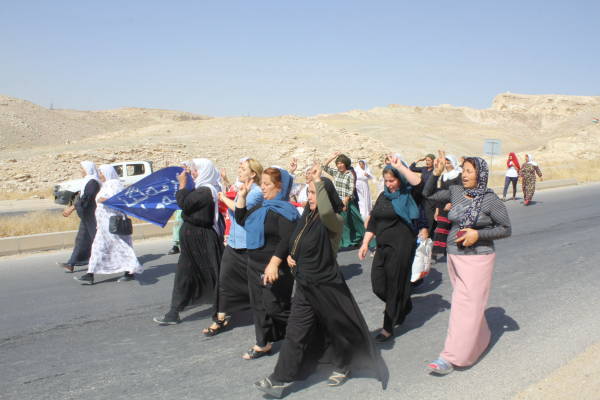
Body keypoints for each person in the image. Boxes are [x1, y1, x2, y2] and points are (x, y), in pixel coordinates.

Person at [254, 166, 387, 398]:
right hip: (305, 285)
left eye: (315, 193)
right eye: (309, 192)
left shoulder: (334, 220)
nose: (310, 197)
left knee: (337, 328)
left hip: (326, 286)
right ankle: (278, 380)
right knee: (296, 332)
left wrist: (318, 180)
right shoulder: (307, 217)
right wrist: (291, 256)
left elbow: (326, 213)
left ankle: (344, 364)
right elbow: (295, 240)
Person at [423, 157, 511, 375]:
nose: (464, 175)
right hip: (455, 255)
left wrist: (478, 234)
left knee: (463, 306)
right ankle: (481, 338)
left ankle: (451, 357)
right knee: (469, 306)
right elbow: (428, 194)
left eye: (470, 171)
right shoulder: (456, 191)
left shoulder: (490, 200)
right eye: (463, 170)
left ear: (480, 175)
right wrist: (435, 173)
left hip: (478, 258)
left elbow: (505, 228)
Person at [235, 167, 299, 360]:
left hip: (274, 266)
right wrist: (242, 196)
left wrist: (273, 263)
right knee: (259, 306)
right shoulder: (261, 207)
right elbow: (242, 219)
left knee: (275, 306)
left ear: (280, 187)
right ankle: (263, 343)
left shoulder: (286, 211)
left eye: (267, 184)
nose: (262, 187)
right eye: (261, 183)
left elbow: (286, 239)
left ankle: (308, 330)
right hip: (254, 264)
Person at [358, 156, 422, 342]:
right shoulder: (383, 196)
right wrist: (365, 243)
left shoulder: (408, 195)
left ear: (400, 179)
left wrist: (400, 166)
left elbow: (418, 183)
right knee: (378, 285)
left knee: (394, 285)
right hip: (382, 246)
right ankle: (403, 304)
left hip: (401, 246)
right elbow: (374, 222)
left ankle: (387, 328)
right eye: (386, 181)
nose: (389, 184)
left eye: (392, 180)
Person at [153, 158, 224, 325]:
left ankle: (223, 307)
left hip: (202, 239)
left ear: (205, 171)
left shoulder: (206, 191)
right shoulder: (201, 189)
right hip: (194, 239)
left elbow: (184, 203)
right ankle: (174, 311)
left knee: (211, 273)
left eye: (196, 170)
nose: (193, 173)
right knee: (186, 274)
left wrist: (183, 185)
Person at [202, 158, 264, 336]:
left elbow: (239, 211)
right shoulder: (244, 189)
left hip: (248, 246)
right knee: (224, 280)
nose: (239, 170)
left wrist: (223, 197)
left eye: (243, 168)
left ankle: (269, 311)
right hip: (233, 244)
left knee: (255, 283)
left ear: (253, 173)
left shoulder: (256, 192)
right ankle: (220, 317)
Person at [74, 165, 143, 285]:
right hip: (103, 225)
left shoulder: (114, 184)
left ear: (107, 173)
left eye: (101, 172)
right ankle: (90, 274)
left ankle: (130, 271)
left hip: (112, 223)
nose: (100, 175)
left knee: (121, 247)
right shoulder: (106, 184)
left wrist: (104, 200)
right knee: (98, 248)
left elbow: (118, 201)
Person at [57, 161, 101, 273]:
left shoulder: (93, 182)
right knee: (81, 239)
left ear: (88, 170)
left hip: (92, 216)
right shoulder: (88, 181)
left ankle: (115, 261)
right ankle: (71, 263)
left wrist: (72, 208)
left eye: (82, 169)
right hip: (87, 215)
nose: (81, 171)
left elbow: (86, 198)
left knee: (97, 240)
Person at [322, 152, 364, 249]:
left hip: (347, 202)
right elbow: (324, 167)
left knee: (354, 222)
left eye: (341, 163)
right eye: (338, 163)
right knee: (340, 223)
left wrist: (345, 202)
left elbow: (351, 189)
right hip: (337, 202)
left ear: (346, 164)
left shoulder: (350, 174)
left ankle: (361, 239)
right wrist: (332, 157)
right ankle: (344, 242)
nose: (339, 165)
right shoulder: (336, 173)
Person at [431, 152, 462, 257]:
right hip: (442, 205)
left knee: (451, 229)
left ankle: (449, 250)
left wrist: (451, 203)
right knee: (440, 228)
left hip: (453, 205)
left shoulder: (459, 175)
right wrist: (437, 209)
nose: (447, 163)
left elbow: (460, 192)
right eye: (446, 161)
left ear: (453, 163)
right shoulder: (444, 176)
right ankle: (436, 252)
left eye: (449, 161)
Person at [410, 153, 437, 235]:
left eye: (429, 160)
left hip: (429, 196)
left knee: (427, 214)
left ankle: (428, 233)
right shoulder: (424, 169)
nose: (427, 162)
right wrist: (418, 160)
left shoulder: (435, 171)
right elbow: (411, 168)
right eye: (426, 160)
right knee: (419, 212)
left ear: (433, 161)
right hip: (420, 194)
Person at [167, 161, 191, 255]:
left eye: (184, 167)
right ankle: (176, 245)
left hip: (189, 204)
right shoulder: (179, 179)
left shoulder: (192, 179)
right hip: (180, 206)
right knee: (178, 224)